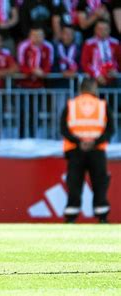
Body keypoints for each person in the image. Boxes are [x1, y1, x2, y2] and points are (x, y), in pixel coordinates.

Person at [61, 78, 114, 224]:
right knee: (99, 183)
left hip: (75, 150)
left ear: (80, 89)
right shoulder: (102, 105)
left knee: (74, 183)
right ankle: (102, 216)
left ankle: (71, 217)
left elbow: (63, 128)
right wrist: (95, 142)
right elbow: (110, 129)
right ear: (94, 88)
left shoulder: (71, 105)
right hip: (97, 150)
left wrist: (79, 142)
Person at [80, 20, 121, 87]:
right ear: (95, 30)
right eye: (100, 29)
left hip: (113, 79)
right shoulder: (89, 44)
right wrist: (96, 74)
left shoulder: (115, 43)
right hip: (95, 80)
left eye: (105, 29)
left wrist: (116, 70)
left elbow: (119, 61)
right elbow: (85, 63)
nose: (102, 31)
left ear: (109, 30)